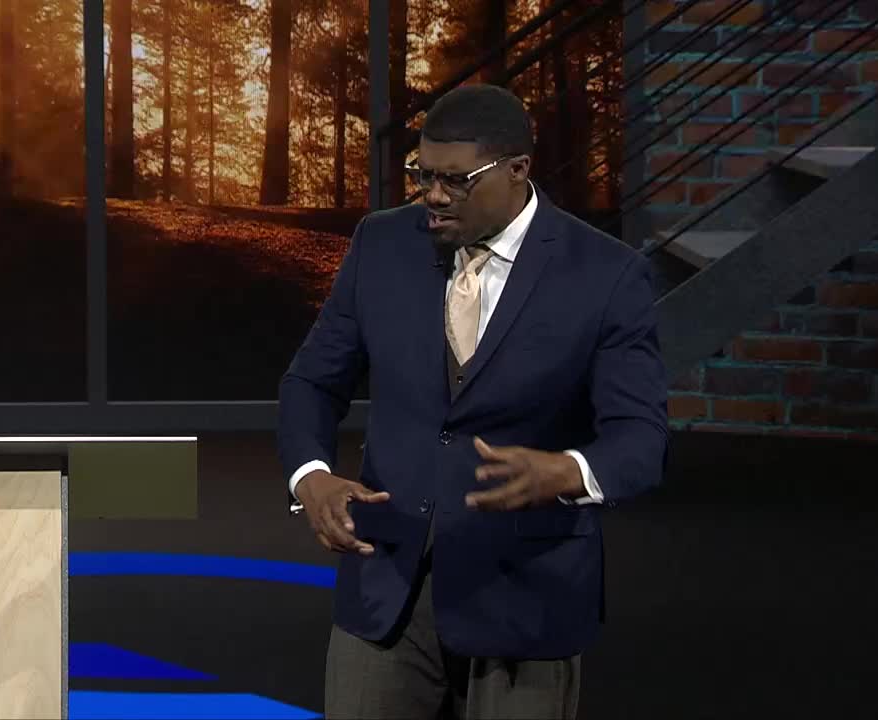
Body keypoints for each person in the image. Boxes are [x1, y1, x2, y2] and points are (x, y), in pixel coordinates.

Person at [276, 84, 668, 720]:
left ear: (517, 170)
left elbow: (642, 439)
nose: (433, 195)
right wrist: (311, 478)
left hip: (524, 598)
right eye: (423, 175)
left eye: (455, 180)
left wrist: (567, 471)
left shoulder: (606, 274)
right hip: (386, 587)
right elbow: (311, 382)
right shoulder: (382, 244)